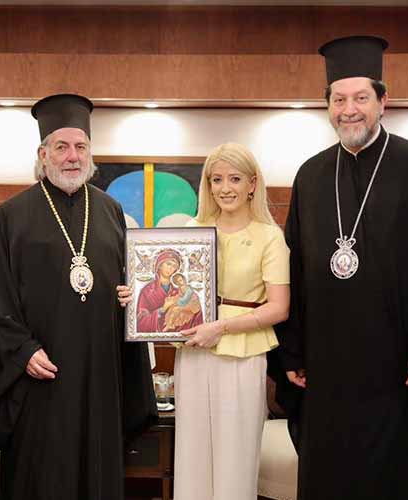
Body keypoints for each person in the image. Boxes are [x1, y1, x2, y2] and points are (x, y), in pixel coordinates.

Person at [276, 36, 408, 500]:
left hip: (399, 370)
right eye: (339, 99)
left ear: (383, 102)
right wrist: (293, 350)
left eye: (361, 98)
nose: (349, 110)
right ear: (327, 106)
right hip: (328, 369)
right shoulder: (311, 175)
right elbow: (296, 267)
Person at [0, 93, 157, 500]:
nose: (72, 157)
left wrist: (131, 296)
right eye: (62, 147)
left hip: (99, 375)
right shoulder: (12, 215)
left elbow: (129, 283)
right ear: (43, 155)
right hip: (41, 379)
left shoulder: (110, 211)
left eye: (80, 147)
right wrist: (22, 351)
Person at [119, 142, 291, 500]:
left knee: (235, 458)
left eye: (234, 179)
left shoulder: (269, 236)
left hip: (242, 356)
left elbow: (279, 308)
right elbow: (163, 292)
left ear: (252, 184)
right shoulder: (192, 228)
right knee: (193, 456)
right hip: (194, 353)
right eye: (217, 179)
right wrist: (132, 296)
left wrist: (221, 327)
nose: (225, 188)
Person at [136, 249, 203, 333]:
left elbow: (195, 315)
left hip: (182, 336)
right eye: (168, 264)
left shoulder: (178, 291)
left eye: (174, 266)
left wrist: (194, 299)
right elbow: (141, 322)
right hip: (155, 338)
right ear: (159, 265)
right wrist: (163, 309)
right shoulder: (147, 291)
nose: (171, 268)